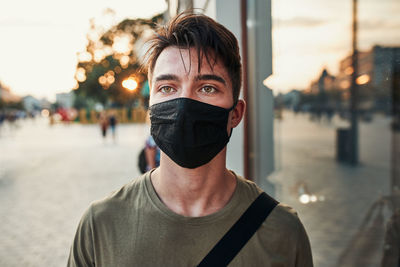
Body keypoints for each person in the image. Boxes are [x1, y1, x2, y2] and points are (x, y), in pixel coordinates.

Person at [67, 12, 313, 267]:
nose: (184, 104)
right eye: (167, 88)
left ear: (235, 114)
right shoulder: (100, 225)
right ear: (150, 109)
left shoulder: (282, 231)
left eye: (207, 88)